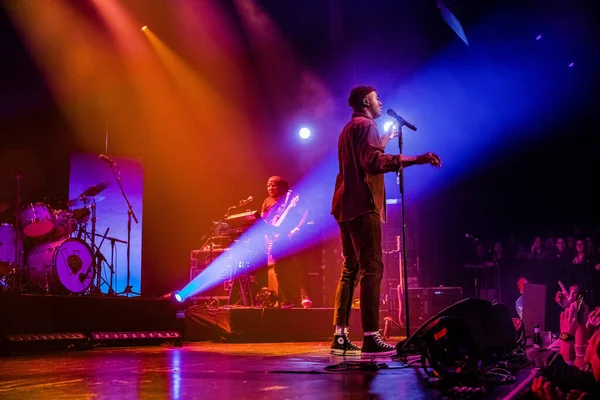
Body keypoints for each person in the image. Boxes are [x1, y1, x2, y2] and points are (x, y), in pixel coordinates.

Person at [330, 85, 441, 356]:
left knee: (351, 269)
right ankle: (370, 336)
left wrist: (384, 140)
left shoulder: (350, 128)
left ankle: (340, 336)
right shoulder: (366, 125)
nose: (381, 102)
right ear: (366, 100)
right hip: (362, 204)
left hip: (344, 203)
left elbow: (364, 157)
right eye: (377, 98)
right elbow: (371, 163)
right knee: (372, 268)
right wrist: (416, 158)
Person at [261, 176, 312, 309]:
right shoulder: (267, 202)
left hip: (292, 238)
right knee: (279, 269)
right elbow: (263, 222)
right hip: (276, 239)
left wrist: (297, 228)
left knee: (299, 266)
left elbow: (306, 212)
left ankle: (304, 296)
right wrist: (267, 239)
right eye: (268, 185)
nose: (270, 188)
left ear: (282, 186)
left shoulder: (290, 198)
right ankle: (287, 300)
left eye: (274, 185)